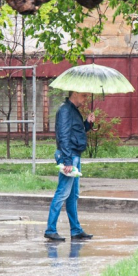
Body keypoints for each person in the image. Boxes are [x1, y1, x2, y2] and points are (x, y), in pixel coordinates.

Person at [45, 91, 96, 242]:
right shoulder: (65, 110)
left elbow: (76, 132)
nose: (86, 99)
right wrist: (67, 161)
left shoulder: (73, 110)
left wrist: (88, 123)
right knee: (62, 193)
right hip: (69, 156)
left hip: (74, 156)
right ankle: (50, 230)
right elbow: (64, 136)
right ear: (75, 93)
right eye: (84, 95)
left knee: (73, 195)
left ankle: (76, 230)